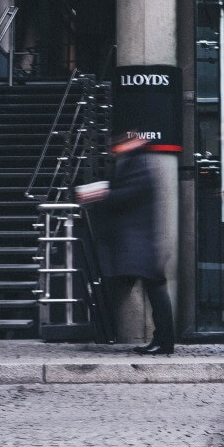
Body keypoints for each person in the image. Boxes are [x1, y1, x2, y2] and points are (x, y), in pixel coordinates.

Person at [74, 133, 175, 354]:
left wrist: (103, 193)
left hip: (139, 245)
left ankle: (163, 341)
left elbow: (128, 195)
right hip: (139, 244)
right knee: (154, 291)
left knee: (155, 292)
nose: (116, 148)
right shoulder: (136, 162)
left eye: (121, 143)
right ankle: (161, 340)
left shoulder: (138, 163)